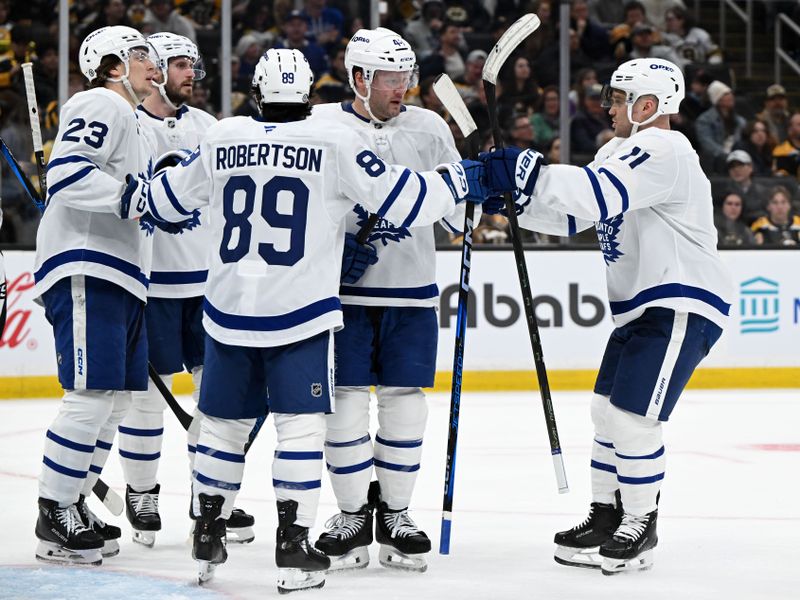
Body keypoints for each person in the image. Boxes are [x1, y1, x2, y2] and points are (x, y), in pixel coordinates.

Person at [145, 48, 489, 592]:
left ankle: (207, 529)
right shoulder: (331, 139)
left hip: (228, 312)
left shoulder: (221, 136)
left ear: (255, 93)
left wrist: (155, 183)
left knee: (223, 429)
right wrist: (465, 178)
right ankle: (293, 545)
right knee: (301, 431)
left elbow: (161, 203)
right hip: (302, 315)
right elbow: (403, 198)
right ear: (312, 93)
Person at [481, 57, 733, 575]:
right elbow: (577, 214)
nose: (609, 107)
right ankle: (606, 514)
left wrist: (527, 169)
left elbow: (596, 195)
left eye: (618, 99)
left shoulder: (664, 148)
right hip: (642, 307)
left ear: (648, 105)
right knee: (604, 412)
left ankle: (641, 522)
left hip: (680, 300)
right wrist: (513, 200)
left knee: (632, 419)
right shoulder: (618, 150)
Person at [308, 27, 472, 574]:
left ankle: (397, 513)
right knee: (346, 402)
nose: (402, 87)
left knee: (404, 401)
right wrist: (330, 254)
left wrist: (477, 185)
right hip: (342, 298)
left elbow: (455, 215)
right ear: (358, 77)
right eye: (390, 78)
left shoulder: (428, 127)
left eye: (407, 77)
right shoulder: (322, 127)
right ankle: (352, 514)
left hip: (410, 292)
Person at [116, 31, 255, 548]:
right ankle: (142, 492)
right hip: (149, 283)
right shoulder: (127, 125)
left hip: (208, 285)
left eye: (192, 65)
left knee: (215, 400)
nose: (189, 74)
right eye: (178, 65)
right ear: (152, 68)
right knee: (147, 402)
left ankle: (212, 500)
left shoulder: (210, 128)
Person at [32, 25, 157, 566]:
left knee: (116, 400)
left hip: (121, 272)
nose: (150, 63)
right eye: (138, 55)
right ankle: (53, 511)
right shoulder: (99, 102)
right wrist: (133, 195)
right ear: (110, 66)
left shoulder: (134, 121)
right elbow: (65, 175)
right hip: (90, 265)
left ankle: (75, 502)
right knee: (89, 396)